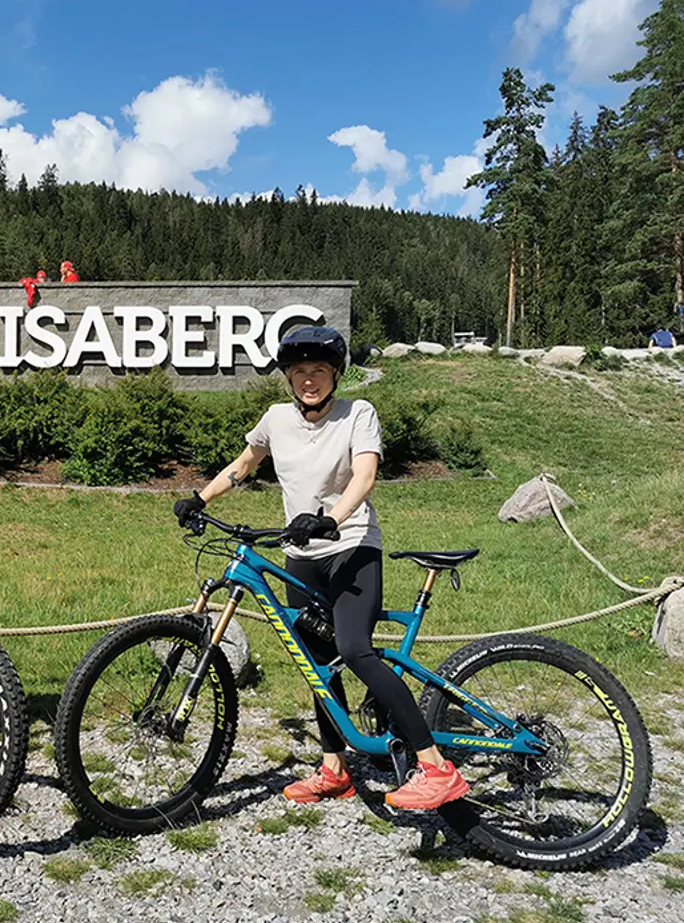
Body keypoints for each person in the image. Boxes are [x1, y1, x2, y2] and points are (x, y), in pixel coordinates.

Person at [172, 325, 469, 811]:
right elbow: (245, 462)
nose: (309, 379)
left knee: (354, 651)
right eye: (299, 372)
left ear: (335, 375)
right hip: (302, 557)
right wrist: (199, 498)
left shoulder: (359, 414)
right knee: (318, 669)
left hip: (350, 549)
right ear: (288, 378)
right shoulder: (276, 419)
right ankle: (335, 770)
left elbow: (366, 475)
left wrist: (332, 519)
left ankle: (436, 766)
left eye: (319, 370)